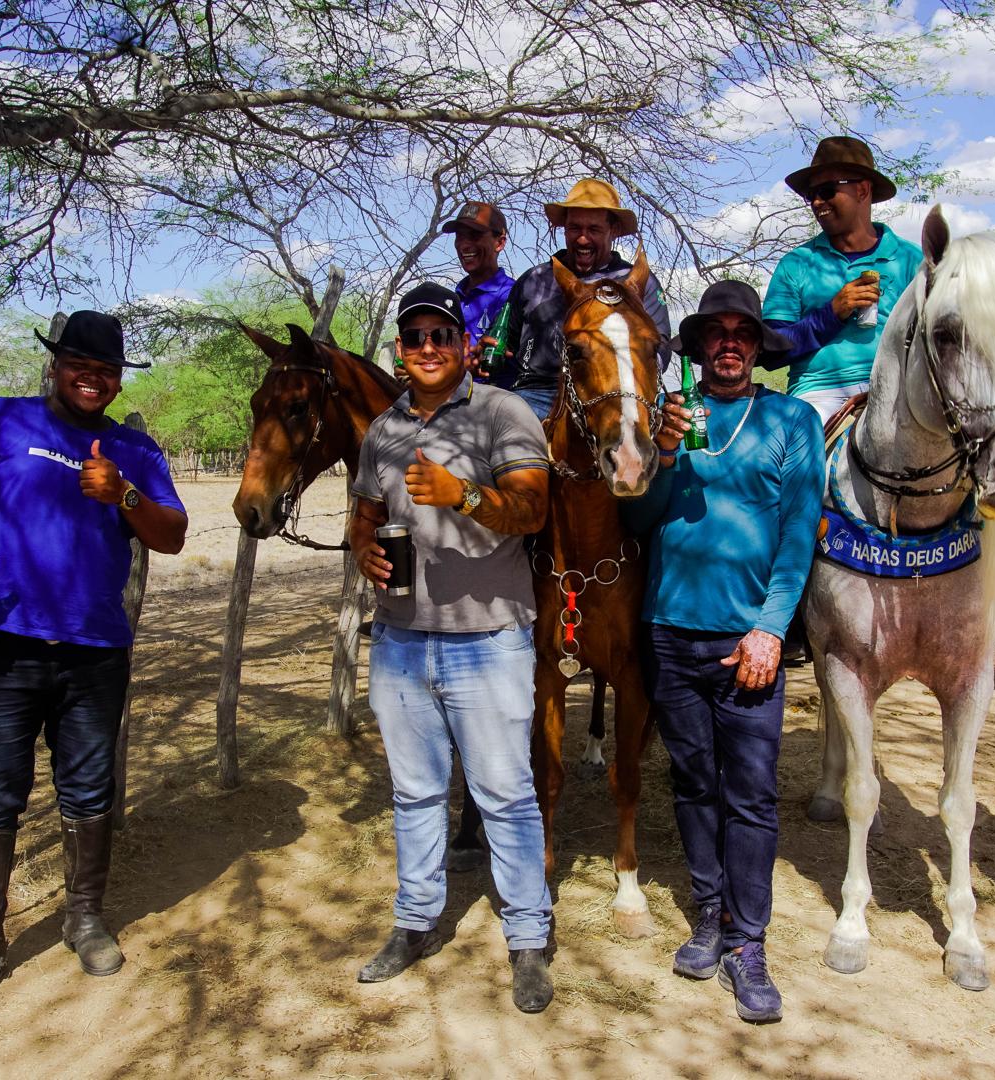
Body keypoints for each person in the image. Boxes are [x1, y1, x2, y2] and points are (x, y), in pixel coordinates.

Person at [0, 310, 189, 1018]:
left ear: (118, 380)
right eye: (80, 367)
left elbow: (173, 535)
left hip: (94, 650)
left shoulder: (133, 449)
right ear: (56, 366)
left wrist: (124, 494)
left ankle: (84, 920)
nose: (93, 380)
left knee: (89, 791)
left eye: (106, 372)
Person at [346, 282, 559, 1013]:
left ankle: (528, 938)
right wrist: (365, 552)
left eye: (442, 335)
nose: (429, 348)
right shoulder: (384, 430)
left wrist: (461, 493)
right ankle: (414, 923)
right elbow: (364, 515)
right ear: (400, 350)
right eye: (415, 337)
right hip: (402, 641)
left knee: (505, 794)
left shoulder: (503, 412)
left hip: (489, 640)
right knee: (414, 794)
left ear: (466, 345)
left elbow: (532, 510)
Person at [624, 281, 825, 1023]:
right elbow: (638, 519)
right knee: (691, 782)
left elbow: (799, 532)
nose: (730, 342)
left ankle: (748, 941)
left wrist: (771, 628)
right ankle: (709, 912)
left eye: (743, 332)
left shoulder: (791, 420)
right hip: (669, 633)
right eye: (717, 332)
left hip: (747, 643)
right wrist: (662, 451)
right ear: (700, 346)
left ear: (758, 345)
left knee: (751, 793)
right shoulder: (670, 416)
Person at [761, 136, 925, 420]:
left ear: (862, 190)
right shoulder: (796, 264)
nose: (817, 202)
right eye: (810, 195)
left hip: (900, 387)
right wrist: (832, 313)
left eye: (826, 191)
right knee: (800, 438)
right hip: (818, 393)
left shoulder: (911, 260)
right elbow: (770, 352)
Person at [493, 178, 672, 418]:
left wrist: (629, 384)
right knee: (500, 425)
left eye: (594, 230)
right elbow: (506, 342)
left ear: (613, 230)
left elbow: (660, 345)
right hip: (538, 392)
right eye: (574, 228)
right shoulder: (534, 280)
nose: (583, 239)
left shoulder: (636, 283)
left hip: (612, 391)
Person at [440, 200, 515, 380]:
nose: (464, 245)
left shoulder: (515, 295)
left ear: (499, 243)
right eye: (459, 236)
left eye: (475, 235)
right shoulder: (451, 300)